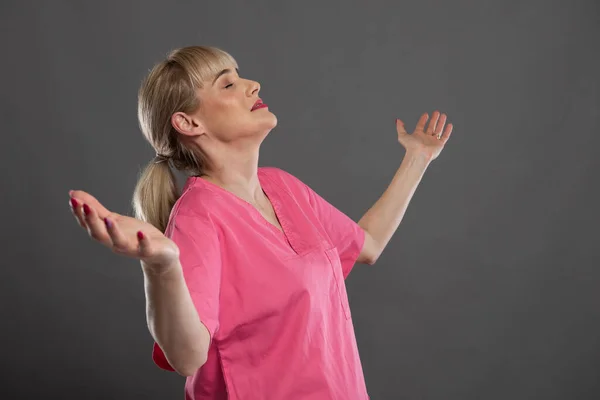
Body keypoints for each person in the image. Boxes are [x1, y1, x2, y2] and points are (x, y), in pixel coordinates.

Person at [68, 45, 453, 399]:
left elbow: (367, 244)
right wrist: (162, 264)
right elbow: (188, 357)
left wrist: (417, 159)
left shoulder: (282, 186)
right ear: (189, 122)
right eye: (229, 83)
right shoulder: (198, 217)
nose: (253, 86)